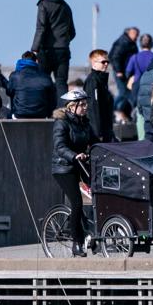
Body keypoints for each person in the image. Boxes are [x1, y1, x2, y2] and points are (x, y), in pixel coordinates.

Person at [51, 89, 98, 256]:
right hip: (64, 168)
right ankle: (76, 243)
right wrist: (74, 155)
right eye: (82, 104)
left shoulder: (84, 122)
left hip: (81, 164)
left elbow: (94, 141)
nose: (86, 107)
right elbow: (60, 146)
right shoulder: (61, 122)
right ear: (71, 107)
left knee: (97, 194)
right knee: (77, 203)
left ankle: (94, 235)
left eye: (86, 104)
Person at [29, 0, 75, 95]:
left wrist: (34, 50)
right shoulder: (66, 6)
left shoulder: (43, 5)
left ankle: (46, 111)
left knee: (43, 81)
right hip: (63, 49)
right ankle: (63, 111)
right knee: (61, 82)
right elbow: (72, 32)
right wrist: (63, 41)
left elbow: (41, 28)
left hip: (46, 50)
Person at [6, 52, 57, 119]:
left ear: (22, 60)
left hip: (19, 114)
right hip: (41, 115)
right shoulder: (45, 77)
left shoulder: (15, 75)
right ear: (36, 61)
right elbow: (52, 97)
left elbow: (8, 92)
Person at [85, 49, 116, 143]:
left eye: (107, 62)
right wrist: (98, 133)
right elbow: (93, 107)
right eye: (103, 62)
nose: (106, 64)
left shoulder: (101, 80)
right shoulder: (93, 81)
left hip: (106, 129)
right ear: (94, 63)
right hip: (98, 132)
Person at [108, 26, 139, 113]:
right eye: (135, 34)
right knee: (124, 92)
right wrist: (118, 71)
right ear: (130, 33)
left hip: (127, 73)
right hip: (121, 72)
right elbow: (115, 57)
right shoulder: (122, 42)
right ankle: (111, 109)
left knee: (125, 92)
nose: (137, 37)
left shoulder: (131, 43)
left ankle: (121, 111)